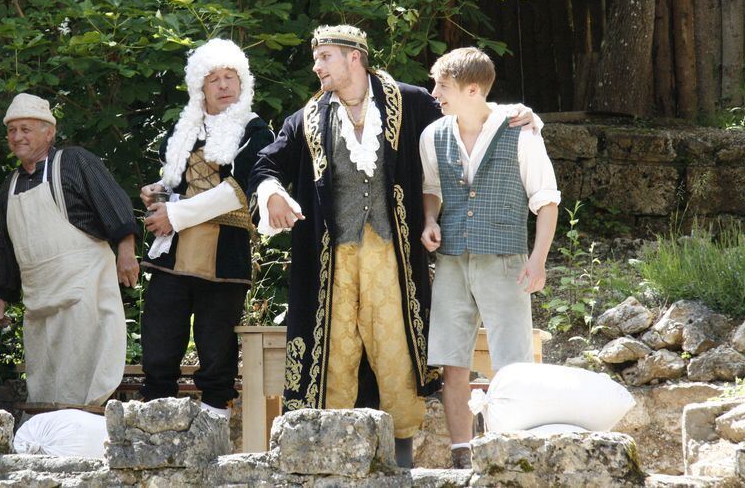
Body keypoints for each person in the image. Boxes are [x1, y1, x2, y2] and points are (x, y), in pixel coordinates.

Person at [249, 25, 537, 467]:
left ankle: (401, 466)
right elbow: (268, 161)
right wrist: (270, 191)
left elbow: (464, 108)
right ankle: (332, 461)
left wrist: (516, 113)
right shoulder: (308, 117)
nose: (316, 66)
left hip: (393, 255)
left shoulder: (409, 101)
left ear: (353, 58)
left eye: (325, 56)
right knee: (336, 354)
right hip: (333, 259)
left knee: (396, 354)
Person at [419, 47, 559, 469]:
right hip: (452, 260)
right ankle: (461, 452)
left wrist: (538, 260)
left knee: (512, 360)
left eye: (442, 86)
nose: (435, 94)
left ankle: (509, 446)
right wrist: (429, 219)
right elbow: (432, 188)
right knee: (451, 359)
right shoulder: (434, 134)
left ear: (473, 90)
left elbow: (547, 201)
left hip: (505, 258)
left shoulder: (521, 131)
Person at [139, 38, 274, 418]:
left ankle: (216, 419)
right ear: (201, 85)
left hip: (224, 252)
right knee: (160, 338)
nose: (223, 85)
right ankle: (155, 417)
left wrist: (174, 214)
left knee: (217, 346)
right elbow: (181, 184)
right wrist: (159, 190)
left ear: (242, 82)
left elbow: (238, 191)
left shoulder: (255, 131)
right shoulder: (185, 129)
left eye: (230, 77)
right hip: (174, 251)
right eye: (214, 79)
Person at [0, 93, 138, 406]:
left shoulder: (74, 162)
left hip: (83, 287)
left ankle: (84, 437)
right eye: (12, 131)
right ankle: (49, 440)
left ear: (49, 132)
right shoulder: (9, 185)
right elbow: (6, 246)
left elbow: (117, 206)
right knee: (44, 375)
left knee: (82, 373)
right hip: (39, 297)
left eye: (26, 129)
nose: (17, 137)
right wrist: (0, 292)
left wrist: (126, 252)